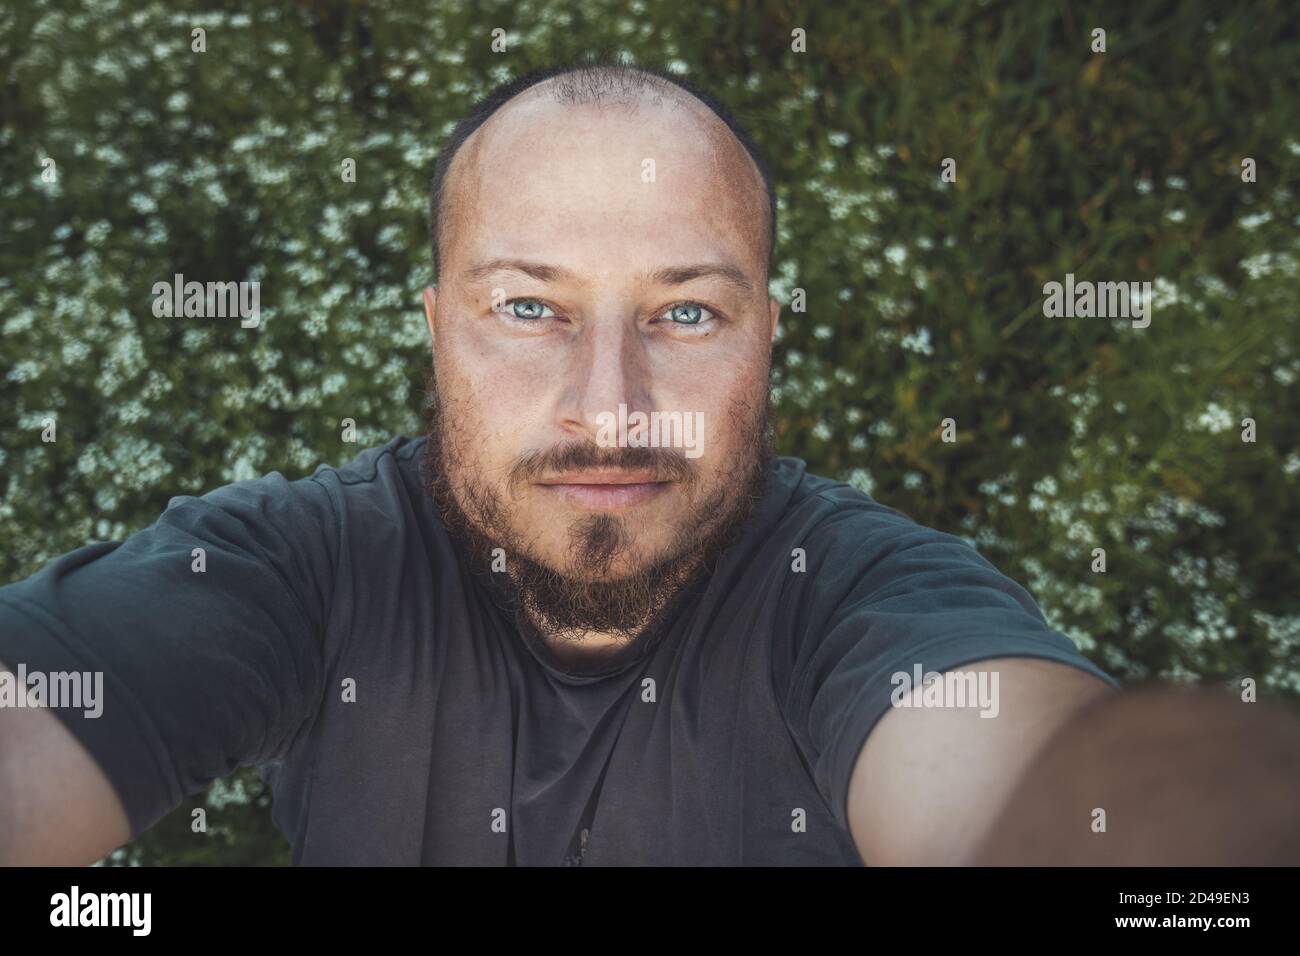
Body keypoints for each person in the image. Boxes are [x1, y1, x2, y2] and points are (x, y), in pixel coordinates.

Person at [1, 60, 1296, 866]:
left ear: (767, 339)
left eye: (685, 312)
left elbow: (1021, 789)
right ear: (438, 329)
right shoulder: (305, 569)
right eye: (527, 309)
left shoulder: (860, 597)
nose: (609, 408)